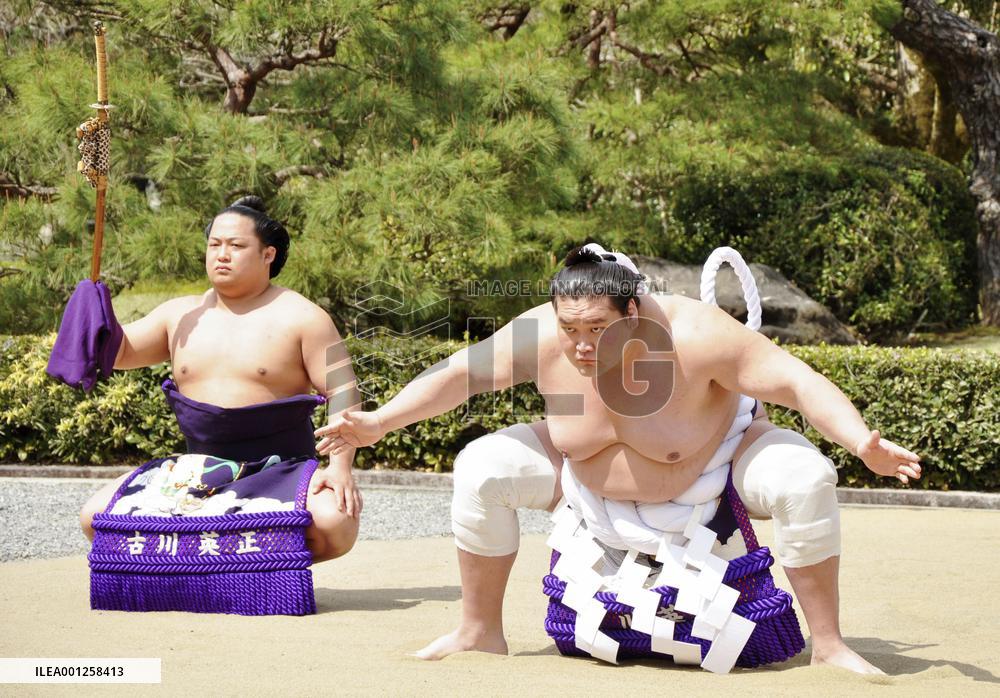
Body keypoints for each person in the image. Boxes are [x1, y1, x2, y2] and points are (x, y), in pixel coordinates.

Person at [314, 244, 922, 672]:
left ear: (631, 311)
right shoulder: (541, 335)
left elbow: (797, 382)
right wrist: (380, 422)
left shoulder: (697, 335)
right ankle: (479, 630)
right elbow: (460, 375)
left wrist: (859, 441)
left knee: (805, 476)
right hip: (583, 480)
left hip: (712, 466)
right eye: (569, 329)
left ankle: (829, 643)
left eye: (597, 329)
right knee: (481, 466)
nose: (581, 345)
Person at [70, 196, 361, 563]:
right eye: (214, 245)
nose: (222, 255)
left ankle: (266, 568)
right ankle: (202, 572)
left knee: (334, 523)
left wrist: (339, 467)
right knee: (96, 519)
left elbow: (343, 391)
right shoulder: (181, 314)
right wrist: (94, 306)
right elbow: (120, 352)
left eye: (236, 245)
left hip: (280, 468)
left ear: (268, 254)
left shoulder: (305, 317)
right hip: (195, 470)